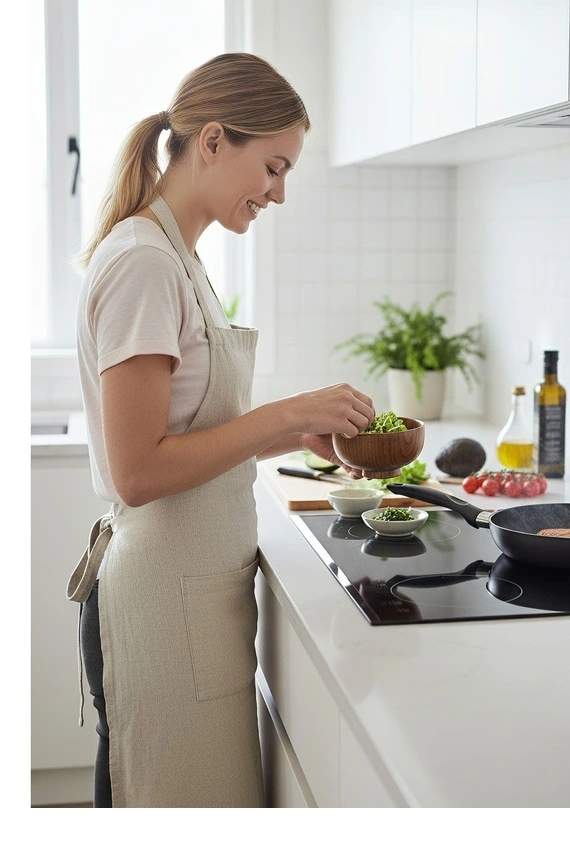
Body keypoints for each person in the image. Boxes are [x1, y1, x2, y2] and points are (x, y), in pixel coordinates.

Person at [66, 52, 375, 808]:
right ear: (211, 142)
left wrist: (291, 433)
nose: (278, 192)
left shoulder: (178, 255)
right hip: (161, 608)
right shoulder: (144, 261)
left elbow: (188, 433)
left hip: (193, 597)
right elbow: (138, 469)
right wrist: (287, 411)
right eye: (273, 167)